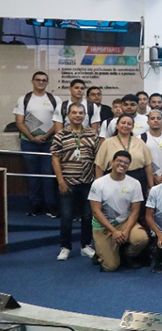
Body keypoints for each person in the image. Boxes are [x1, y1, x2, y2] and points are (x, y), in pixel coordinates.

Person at [50, 103, 100, 261]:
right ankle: (65, 247)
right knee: (66, 217)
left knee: (87, 216)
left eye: (80, 113)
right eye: (74, 112)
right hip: (68, 182)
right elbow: (55, 159)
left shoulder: (92, 134)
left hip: (88, 183)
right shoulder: (61, 135)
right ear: (68, 116)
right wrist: (61, 181)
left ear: (85, 115)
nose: (77, 115)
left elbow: (98, 159)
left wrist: (97, 182)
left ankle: (85, 246)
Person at [87, 150, 149, 271]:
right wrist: (114, 231)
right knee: (110, 267)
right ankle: (102, 253)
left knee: (141, 239)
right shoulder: (99, 183)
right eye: (119, 161)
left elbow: (135, 211)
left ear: (129, 166)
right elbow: (96, 211)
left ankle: (126, 254)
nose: (122, 164)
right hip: (103, 226)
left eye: (126, 162)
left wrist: (126, 231)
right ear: (112, 162)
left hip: (124, 222)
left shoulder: (135, 183)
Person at [95, 114, 155, 195]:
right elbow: (99, 166)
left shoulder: (139, 142)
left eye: (129, 124)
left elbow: (148, 165)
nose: (126, 126)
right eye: (123, 123)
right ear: (117, 125)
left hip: (137, 177)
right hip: (114, 178)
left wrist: (151, 186)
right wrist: (98, 186)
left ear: (132, 127)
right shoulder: (107, 143)